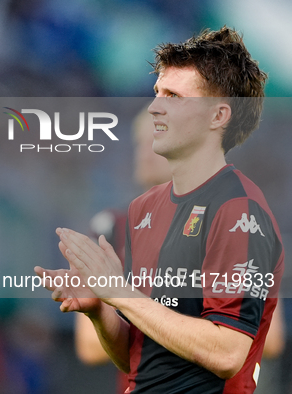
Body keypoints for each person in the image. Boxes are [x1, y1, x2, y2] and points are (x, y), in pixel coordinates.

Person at [35, 27, 284, 393]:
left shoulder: (239, 210)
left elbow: (228, 353)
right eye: (156, 93)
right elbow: (139, 360)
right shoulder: (143, 209)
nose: (154, 107)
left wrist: (117, 292)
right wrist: (100, 311)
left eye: (173, 96)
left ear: (218, 117)